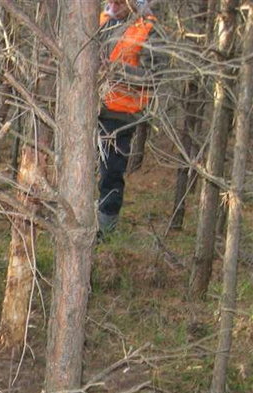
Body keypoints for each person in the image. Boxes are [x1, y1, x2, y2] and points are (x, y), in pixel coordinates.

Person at [97, 0, 163, 238]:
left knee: (110, 173)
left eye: (118, 1)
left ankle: (105, 233)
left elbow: (153, 77)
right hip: (93, 108)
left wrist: (116, 71)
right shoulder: (104, 20)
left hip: (121, 112)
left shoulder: (150, 27)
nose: (113, 5)